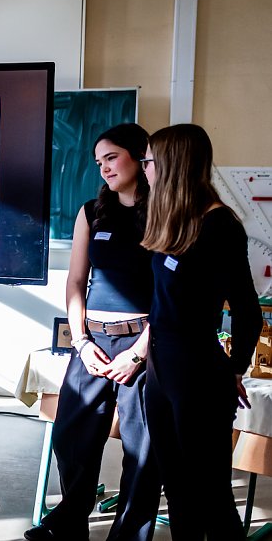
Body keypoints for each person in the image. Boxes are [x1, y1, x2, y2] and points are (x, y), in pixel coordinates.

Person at [26, 123, 161, 541]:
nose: (104, 168)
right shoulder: (91, 211)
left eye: (112, 157)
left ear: (140, 156)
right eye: (98, 161)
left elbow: (172, 294)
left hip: (143, 343)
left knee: (142, 451)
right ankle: (70, 523)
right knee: (71, 437)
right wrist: (81, 341)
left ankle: (129, 534)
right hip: (92, 341)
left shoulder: (165, 210)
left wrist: (139, 352)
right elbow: (75, 282)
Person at [141, 124, 262, 540]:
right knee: (176, 488)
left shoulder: (219, 226)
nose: (145, 169)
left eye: (150, 161)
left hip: (196, 371)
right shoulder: (175, 219)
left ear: (173, 165)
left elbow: (248, 311)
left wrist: (235, 369)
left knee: (209, 493)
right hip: (161, 370)